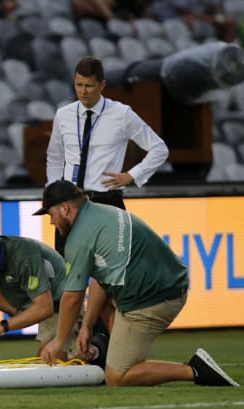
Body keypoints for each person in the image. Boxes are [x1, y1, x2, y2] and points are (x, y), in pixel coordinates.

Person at [35, 180, 239, 387]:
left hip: (151, 300)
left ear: (65, 208)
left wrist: (59, 341)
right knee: (106, 316)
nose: (51, 221)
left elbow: (72, 298)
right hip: (168, 285)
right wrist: (87, 326)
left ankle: (195, 370)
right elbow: (99, 277)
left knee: (117, 377)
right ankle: (107, 352)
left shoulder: (78, 238)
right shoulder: (101, 213)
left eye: (50, 214)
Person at [46, 56, 169, 334]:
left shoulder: (122, 114)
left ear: (102, 85)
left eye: (89, 85)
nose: (83, 91)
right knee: (67, 280)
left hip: (105, 202)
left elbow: (159, 148)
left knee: (108, 282)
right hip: (70, 205)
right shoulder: (64, 115)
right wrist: (54, 192)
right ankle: (71, 343)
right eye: (78, 85)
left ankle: (115, 347)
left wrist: (132, 176)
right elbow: (54, 156)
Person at [0, 219, 93, 364]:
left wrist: (1, 327)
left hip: (57, 306)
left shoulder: (22, 254)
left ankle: (80, 354)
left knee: (47, 364)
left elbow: (45, 308)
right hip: (22, 302)